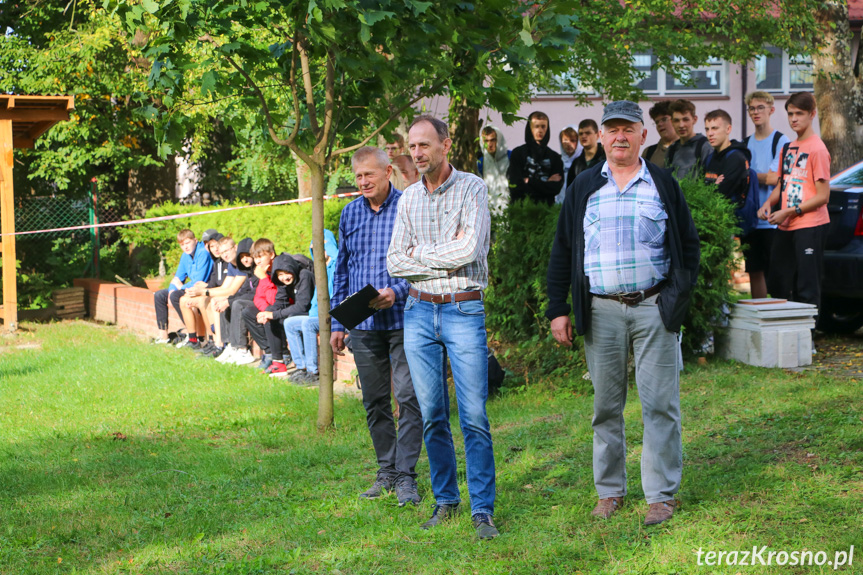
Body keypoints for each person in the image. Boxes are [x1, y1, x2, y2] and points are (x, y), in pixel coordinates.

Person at [546, 100, 701, 527]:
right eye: (612, 129)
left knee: (660, 405)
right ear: (602, 135)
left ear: (642, 135)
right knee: (606, 407)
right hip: (601, 311)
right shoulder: (583, 187)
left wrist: (674, 300)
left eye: (627, 129)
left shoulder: (664, 185)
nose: (619, 136)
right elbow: (562, 251)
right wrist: (558, 308)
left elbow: (688, 248)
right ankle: (610, 491)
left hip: (654, 309)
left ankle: (660, 495)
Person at [387, 115, 498, 540]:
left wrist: (421, 253)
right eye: (412, 147)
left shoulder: (472, 187)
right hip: (418, 312)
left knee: (473, 415)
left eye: (424, 145)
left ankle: (483, 510)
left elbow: (470, 248)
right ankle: (447, 500)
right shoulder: (409, 198)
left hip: (463, 309)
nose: (417, 154)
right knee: (432, 414)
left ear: (446, 145)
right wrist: (440, 254)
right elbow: (395, 261)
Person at [330, 146, 423, 506]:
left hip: (403, 319)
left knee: (409, 398)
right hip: (363, 325)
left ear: (388, 172)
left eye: (370, 174)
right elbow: (342, 270)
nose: (364, 181)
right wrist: (340, 321)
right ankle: (386, 469)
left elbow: (422, 266)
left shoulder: (409, 207)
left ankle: (406, 476)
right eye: (358, 176)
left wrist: (396, 291)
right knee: (375, 401)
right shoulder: (350, 214)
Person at [757, 92, 831, 325]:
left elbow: (823, 196)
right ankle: (783, 330)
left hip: (810, 225)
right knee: (778, 280)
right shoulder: (788, 147)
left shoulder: (818, 149)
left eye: (799, 114)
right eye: (790, 114)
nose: (794, 119)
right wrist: (768, 203)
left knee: (807, 284)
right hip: (786, 225)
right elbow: (783, 183)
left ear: (812, 114)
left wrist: (789, 211)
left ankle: (808, 337)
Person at [744, 91, 790, 299]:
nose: (756, 112)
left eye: (760, 107)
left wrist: (751, 175)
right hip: (751, 219)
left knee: (776, 273)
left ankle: (779, 316)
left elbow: (775, 179)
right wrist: (762, 176)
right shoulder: (745, 144)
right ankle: (760, 316)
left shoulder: (780, 141)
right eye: (752, 108)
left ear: (771, 110)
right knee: (754, 270)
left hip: (773, 220)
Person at [245, 252, 314, 377]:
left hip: (311, 312)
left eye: (287, 273)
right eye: (280, 275)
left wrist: (274, 314)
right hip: (298, 312)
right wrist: (267, 313)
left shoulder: (305, 276)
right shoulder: (281, 282)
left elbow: (302, 306)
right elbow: (281, 301)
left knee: (279, 318)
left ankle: (302, 366)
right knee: (269, 316)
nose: (284, 277)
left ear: (293, 269)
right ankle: (278, 363)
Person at [285, 229, 339, 386]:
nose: (318, 251)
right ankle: (301, 368)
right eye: (314, 248)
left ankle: (313, 372)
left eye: (322, 246)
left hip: (333, 315)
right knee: (290, 323)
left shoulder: (336, 266)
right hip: (316, 313)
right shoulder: (320, 268)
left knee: (308, 324)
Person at [152, 229, 212, 344]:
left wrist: (180, 288)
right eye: (182, 245)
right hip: (189, 287)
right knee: (160, 295)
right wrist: (171, 290)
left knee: (176, 296)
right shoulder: (185, 256)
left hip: (201, 289)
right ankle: (164, 336)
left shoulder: (202, 253)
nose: (186, 247)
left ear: (195, 240)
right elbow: (177, 278)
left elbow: (198, 280)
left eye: (188, 243)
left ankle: (191, 334)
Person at [212, 237, 257, 363]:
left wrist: (229, 300)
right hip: (248, 298)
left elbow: (240, 291)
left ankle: (242, 350)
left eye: (227, 250)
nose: (245, 260)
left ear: (235, 248)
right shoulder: (241, 267)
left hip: (259, 302)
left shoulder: (252, 269)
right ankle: (230, 345)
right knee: (223, 300)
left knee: (235, 303)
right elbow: (233, 290)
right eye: (222, 252)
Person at [507, 111, 564, 205]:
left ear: (547, 128)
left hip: (546, 211)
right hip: (521, 211)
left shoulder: (555, 157)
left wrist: (528, 181)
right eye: (536, 126)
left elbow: (555, 188)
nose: (540, 130)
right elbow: (515, 187)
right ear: (530, 128)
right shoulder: (518, 153)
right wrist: (546, 184)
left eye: (543, 126)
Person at [703, 109, 752, 205]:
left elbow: (721, 194)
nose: (710, 133)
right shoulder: (709, 158)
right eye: (707, 129)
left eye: (715, 128)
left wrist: (712, 187)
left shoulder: (736, 158)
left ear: (728, 129)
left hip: (732, 217)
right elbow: (700, 191)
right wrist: (714, 185)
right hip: (711, 215)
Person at [666, 99, 710, 180]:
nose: (681, 125)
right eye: (676, 121)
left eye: (685, 119)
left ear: (694, 119)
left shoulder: (704, 146)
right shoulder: (672, 149)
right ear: (671, 122)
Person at [477, 125, 510, 216]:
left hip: (511, 207)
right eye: (486, 141)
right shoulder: (481, 163)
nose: (490, 144)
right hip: (490, 211)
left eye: (493, 140)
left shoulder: (511, 157)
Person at [567, 119, 606, 184]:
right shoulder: (576, 163)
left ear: (597, 135)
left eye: (588, 133)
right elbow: (571, 190)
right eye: (581, 134)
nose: (583, 136)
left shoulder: (606, 158)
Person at [642, 101, 679, 166]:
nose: (659, 124)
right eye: (657, 122)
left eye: (664, 119)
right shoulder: (649, 152)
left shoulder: (693, 149)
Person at [555, 125, 583, 203]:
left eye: (573, 140)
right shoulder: (557, 161)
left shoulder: (582, 162)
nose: (568, 144)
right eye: (565, 140)